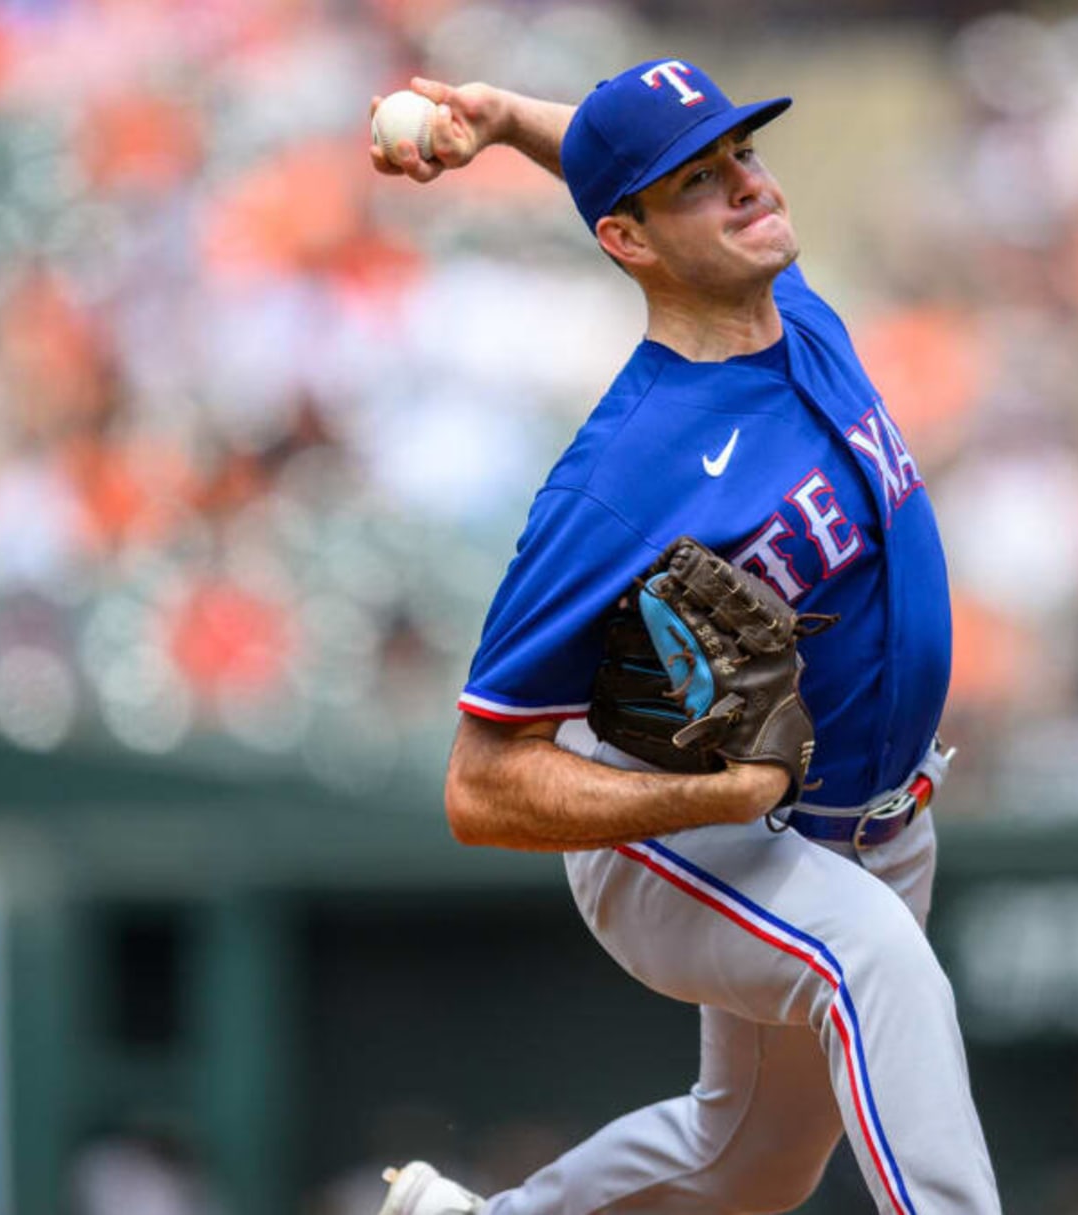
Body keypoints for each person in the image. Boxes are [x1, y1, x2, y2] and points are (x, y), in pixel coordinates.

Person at [364, 58, 1001, 1215]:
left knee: (750, 1165)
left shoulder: (793, 313)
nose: (749, 187)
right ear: (632, 239)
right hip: (681, 838)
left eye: (742, 156)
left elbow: (627, 168)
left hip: (870, 824)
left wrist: (509, 125)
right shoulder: (621, 479)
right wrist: (707, 804)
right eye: (704, 181)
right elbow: (481, 786)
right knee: (875, 965)